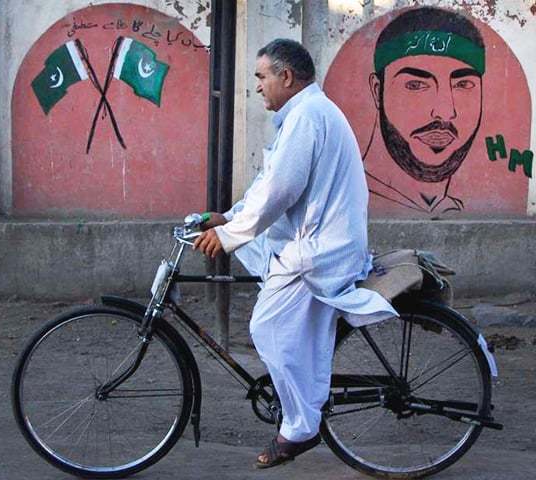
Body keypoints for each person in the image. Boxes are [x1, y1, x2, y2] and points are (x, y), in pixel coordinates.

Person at [193, 39, 397, 468]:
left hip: (322, 250)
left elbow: (280, 192)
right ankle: (305, 390)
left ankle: (301, 427)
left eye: (262, 77)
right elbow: (269, 185)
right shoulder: (303, 115)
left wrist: (230, 235)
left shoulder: (307, 116)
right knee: (269, 278)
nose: (258, 87)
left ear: (286, 77)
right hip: (313, 240)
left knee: (267, 327)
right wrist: (226, 217)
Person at [364, 7, 485, 214]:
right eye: (416, 85)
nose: (445, 112)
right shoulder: (352, 197)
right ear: (378, 91)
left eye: (463, 84)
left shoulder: (449, 209)